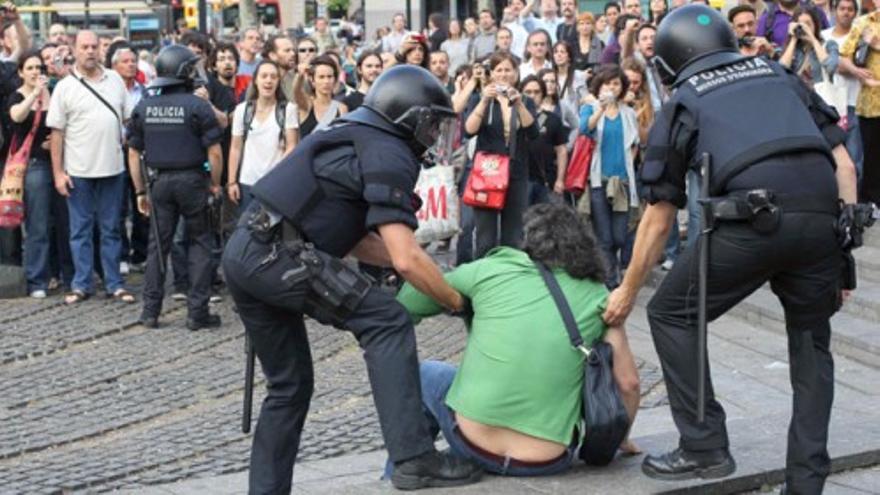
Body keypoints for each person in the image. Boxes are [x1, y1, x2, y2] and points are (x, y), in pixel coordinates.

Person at [602, 6, 859, 493]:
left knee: (672, 314)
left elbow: (659, 215)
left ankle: (703, 448)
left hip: (752, 223)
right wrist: (841, 261)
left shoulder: (685, 98)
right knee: (811, 346)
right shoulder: (781, 75)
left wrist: (628, 290)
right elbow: (844, 165)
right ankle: (806, 484)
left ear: (671, 60)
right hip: (821, 221)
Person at [222, 64, 483, 493]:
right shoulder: (390, 152)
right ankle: (414, 459)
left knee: (289, 387)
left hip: (246, 252)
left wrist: (437, 276)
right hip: (279, 255)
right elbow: (405, 258)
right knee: (387, 321)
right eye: (432, 122)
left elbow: (363, 243)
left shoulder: (352, 131)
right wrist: (457, 301)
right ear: (409, 118)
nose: (436, 134)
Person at [394, 203, 641, 478]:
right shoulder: (598, 296)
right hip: (548, 458)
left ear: (528, 240)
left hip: (472, 441)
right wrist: (620, 439)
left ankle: (402, 474)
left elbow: (408, 301)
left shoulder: (490, 269)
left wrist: (461, 300)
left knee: (427, 373)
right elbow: (629, 383)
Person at [125, 45, 224, 331]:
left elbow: (133, 152)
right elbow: (214, 153)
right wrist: (215, 184)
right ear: (183, 71)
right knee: (200, 245)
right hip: (193, 181)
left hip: (159, 183)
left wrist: (140, 191)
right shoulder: (197, 106)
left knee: (158, 247)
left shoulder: (144, 106)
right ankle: (197, 313)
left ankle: (150, 311)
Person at [47, 30, 135, 305]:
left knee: (111, 229)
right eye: (84, 46)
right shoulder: (65, 87)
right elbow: (57, 135)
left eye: (93, 46)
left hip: (113, 168)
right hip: (78, 172)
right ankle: (81, 283)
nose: (89, 51)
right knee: (80, 230)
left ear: (100, 50)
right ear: (74, 49)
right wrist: (58, 173)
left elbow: (129, 120)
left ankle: (114, 283)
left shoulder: (115, 81)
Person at [464, 52, 537, 259]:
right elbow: (469, 130)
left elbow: (533, 133)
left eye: (508, 70)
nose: (504, 74)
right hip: (487, 174)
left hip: (516, 172)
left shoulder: (526, 101)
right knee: (485, 237)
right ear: (492, 73)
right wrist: (484, 101)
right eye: (499, 70)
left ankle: (509, 282)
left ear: (516, 73)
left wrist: (520, 104)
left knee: (513, 236)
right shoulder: (482, 99)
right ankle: (483, 281)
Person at [578, 65, 640, 288]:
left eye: (616, 83)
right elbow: (585, 129)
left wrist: (628, 166)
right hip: (598, 180)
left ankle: (613, 272)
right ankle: (610, 281)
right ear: (599, 86)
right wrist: (600, 109)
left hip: (622, 182)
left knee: (620, 236)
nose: (612, 88)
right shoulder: (590, 107)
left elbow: (635, 144)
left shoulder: (629, 112)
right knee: (604, 237)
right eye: (607, 83)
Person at [7, 51, 53, 298]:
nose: (36, 72)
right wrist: (34, 94)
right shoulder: (19, 95)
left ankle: (57, 273)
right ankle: (36, 280)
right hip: (33, 166)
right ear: (21, 72)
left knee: (54, 223)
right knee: (37, 226)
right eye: (31, 68)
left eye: (39, 67)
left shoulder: (52, 93)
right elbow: (16, 116)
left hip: (55, 163)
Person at [227, 60, 298, 213]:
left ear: (278, 82)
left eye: (273, 77)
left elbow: (292, 145)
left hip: (275, 183)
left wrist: (276, 174)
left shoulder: (288, 109)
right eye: (264, 76)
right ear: (255, 80)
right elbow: (235, 147)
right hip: (247, 183)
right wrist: (232, 181)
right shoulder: (242, 110)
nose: (268, 80)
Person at [839, 1, 880, 204]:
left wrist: (877, 45)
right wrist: (856, 71)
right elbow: (843, 56)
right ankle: (870, 203)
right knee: (872, 157)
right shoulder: (864, 22)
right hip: (871, 102)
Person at [823, 0, 863, 183]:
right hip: (829, 105)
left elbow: (860, 63)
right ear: (834, 11)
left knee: (855, 160)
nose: (846, 13)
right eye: (842, 9)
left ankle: (855, 205)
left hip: (853, 103)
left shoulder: (860, 36)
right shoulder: (823, 36)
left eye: (850, 9)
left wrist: (842, 64)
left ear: (855, 13)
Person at [521, 75, 569, 204]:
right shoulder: (513, 118)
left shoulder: (552, 119)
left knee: (546, 221)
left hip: (546, 179)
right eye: (528, 92)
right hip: (521, 180)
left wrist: (560, 180)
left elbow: (561, 150)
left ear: (543, 94)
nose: (532, 96)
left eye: (537, 92)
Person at [779, 6, 838, 89]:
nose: (803, 28)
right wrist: (793, 39)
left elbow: (831, 67)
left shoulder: (829, 45)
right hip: (798, 97)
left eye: (808, 24)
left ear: (815, 25)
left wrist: (812, 39)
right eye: (800, 24)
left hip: (820, 97)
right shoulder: (792, 49)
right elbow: (781, 69)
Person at [297, 55, 347, 138]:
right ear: (312, 80)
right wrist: (300, 76)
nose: (326, 81)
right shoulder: (307, 105)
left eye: (329, 77)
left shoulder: (341, 108)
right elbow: (297, 93)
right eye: (321, 77)